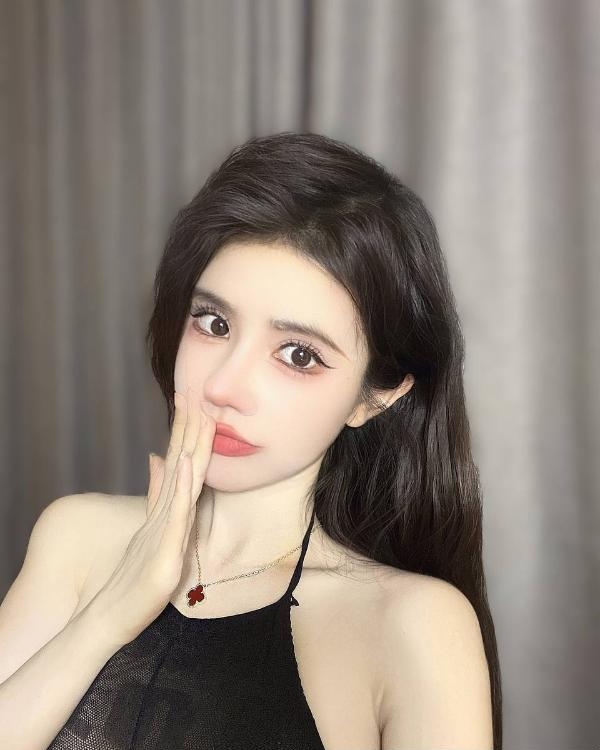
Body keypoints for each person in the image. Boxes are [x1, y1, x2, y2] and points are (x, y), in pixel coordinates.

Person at [0, 132, 500, 749]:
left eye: (298, 355)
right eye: (213, 323)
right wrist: (110, 613)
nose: (223, 386)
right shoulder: (77, 538)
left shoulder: (413, 625)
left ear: (377, 396)